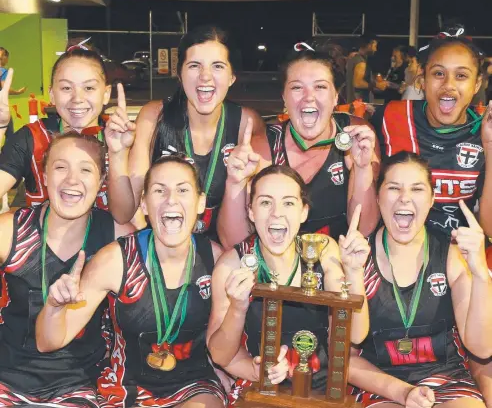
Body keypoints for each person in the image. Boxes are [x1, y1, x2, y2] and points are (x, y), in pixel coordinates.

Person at [36, 155, 229, 408]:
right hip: (125, 388)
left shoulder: (216, 260)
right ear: (145, 204)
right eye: (160, 191)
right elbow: (48, 341)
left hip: (194, 387)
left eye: (183, 190)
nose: (171, 199)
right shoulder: (115, 260)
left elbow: (230, 342)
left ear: (200, 202)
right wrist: (54, 306)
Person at [208, 165, 369, 403]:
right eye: (265, 203)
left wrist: (354, 273)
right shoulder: (232, 265)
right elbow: (220, 355)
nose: (276, 214)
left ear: (304, 212)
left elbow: (355, 335)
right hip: (264, 390)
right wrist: (238, 307)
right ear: (250, 212)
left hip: (324, 389)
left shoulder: (322, 250)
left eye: (288, 203)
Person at [0, 131, 133, 407]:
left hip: (82, 383)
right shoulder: (10, 229)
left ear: (101, 182)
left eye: (86, 170)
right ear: (45, 177)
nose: (72, 180)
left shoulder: (117, 235)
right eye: (61, 167)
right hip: (7, 375)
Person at [349, 151, 492, 407]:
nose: (404, 198)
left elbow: (482, 349)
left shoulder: (452, 255)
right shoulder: (357, 258)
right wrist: (402, 392)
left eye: (417, 189)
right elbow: (344, 359)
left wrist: (481, 273)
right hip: (382, 383)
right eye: (394, 188)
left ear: (431, 199)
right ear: (378, 196)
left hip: (446, 380)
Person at [105, 25, 265, 242]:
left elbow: (253, 224)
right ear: (179, 74)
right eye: (194, 65)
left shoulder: (247, 124)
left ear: (231, 77)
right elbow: (123, 213)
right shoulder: (154, 117)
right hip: (164, 247)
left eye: (217, 66)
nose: (205, 76)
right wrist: (117, 154)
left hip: (222, 251)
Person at [217, 45, 381, 249]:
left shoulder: (357, 134)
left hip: (338, 265)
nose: (309, 97)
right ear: (284, 98)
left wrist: (363, 169)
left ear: (335, 97)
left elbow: (364, 229)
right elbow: (234, 244)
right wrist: (234, 183)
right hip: (280, 270)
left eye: (320, 87)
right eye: (297, 88)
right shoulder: (262, 148)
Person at [370, 30, 492, 237]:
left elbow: (490, 228)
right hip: (398, 251)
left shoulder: (484, 132)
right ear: (423, 79)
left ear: (477, 84)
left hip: (457, 253)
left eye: (461, 76)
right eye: (438, 73)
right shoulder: (390, 118)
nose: (448, 85)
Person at [0, 45, 117, 210]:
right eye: (66, 88)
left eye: (89, 88)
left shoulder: (121, 139)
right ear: (52, 95)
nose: (77, 98)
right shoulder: (31, 138)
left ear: (106, 94)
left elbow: (134, 216)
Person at [346, 34, 387, 103]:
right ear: (368, 45)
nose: (375, 49)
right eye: (374, 46)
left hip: (355, 103)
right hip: (358, 105)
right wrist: (377, 85)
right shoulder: (360, 62)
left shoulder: (355, 59)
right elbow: (358, 83)